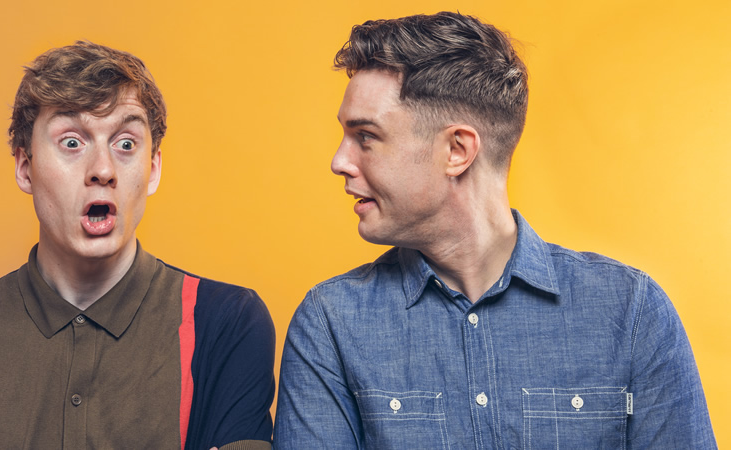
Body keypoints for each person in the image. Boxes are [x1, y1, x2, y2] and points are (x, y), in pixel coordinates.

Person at [274, 12, 715, 448]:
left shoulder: (632, 312)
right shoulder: (330, 323)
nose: (339, 161)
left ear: (457, 150)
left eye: (365, 136)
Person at [0, 41, 275, 449]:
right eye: (72, 142)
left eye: (125, 144)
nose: (103, 169)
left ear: (153, 169)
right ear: (25, 167)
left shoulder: (227, 325)